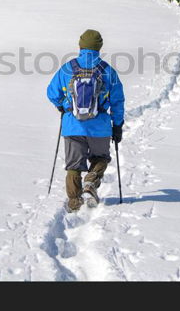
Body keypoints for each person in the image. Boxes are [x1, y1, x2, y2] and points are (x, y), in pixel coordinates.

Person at [46, 29, 125, 212]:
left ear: (80, 46)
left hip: (73, 125)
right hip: (100, 126)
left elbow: (52, 92)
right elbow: (117, 101)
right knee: (101, 158)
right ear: (99, 47)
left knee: (73, 166)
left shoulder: (68, 68)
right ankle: (91, 180)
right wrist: (117, 125)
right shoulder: (107, 71)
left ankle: (74, 204)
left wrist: (63, 107)